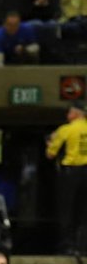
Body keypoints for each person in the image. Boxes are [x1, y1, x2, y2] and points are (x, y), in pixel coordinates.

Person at [46, 101, 87, 255]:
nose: (67, 115)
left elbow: (50, 154)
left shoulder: (66, 129)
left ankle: (67, 246)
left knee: (67, 209)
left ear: (75, 114)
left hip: (72, 172)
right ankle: (82, 246)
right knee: (84, 211)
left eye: (69, 113)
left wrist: (50, 141)